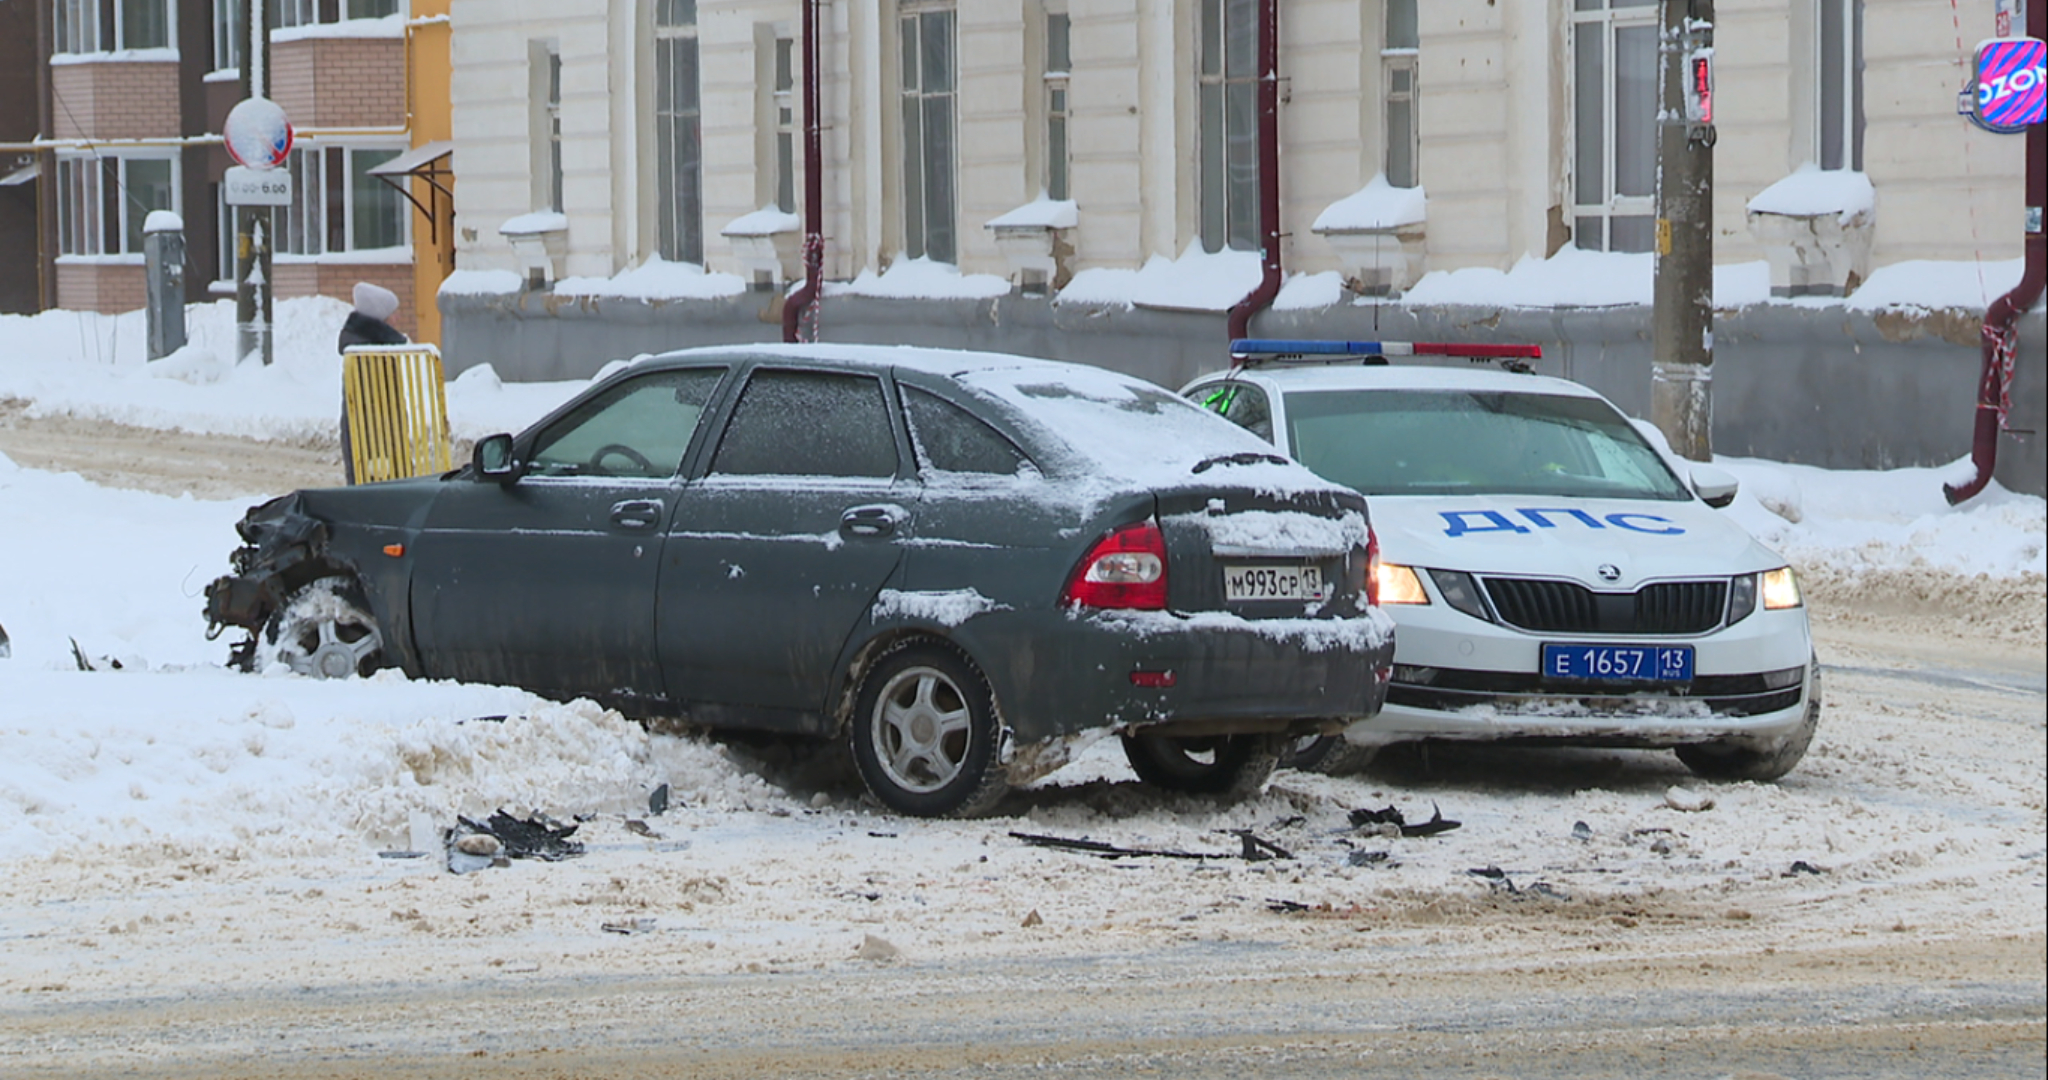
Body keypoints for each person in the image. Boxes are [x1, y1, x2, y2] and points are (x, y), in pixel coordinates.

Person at [337, 282, 408, 484]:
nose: (399, 318)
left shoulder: (370, 346)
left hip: (375, 437)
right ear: (381, 318)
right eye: (394, 312)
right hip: (371, 439)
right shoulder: (366, 352)